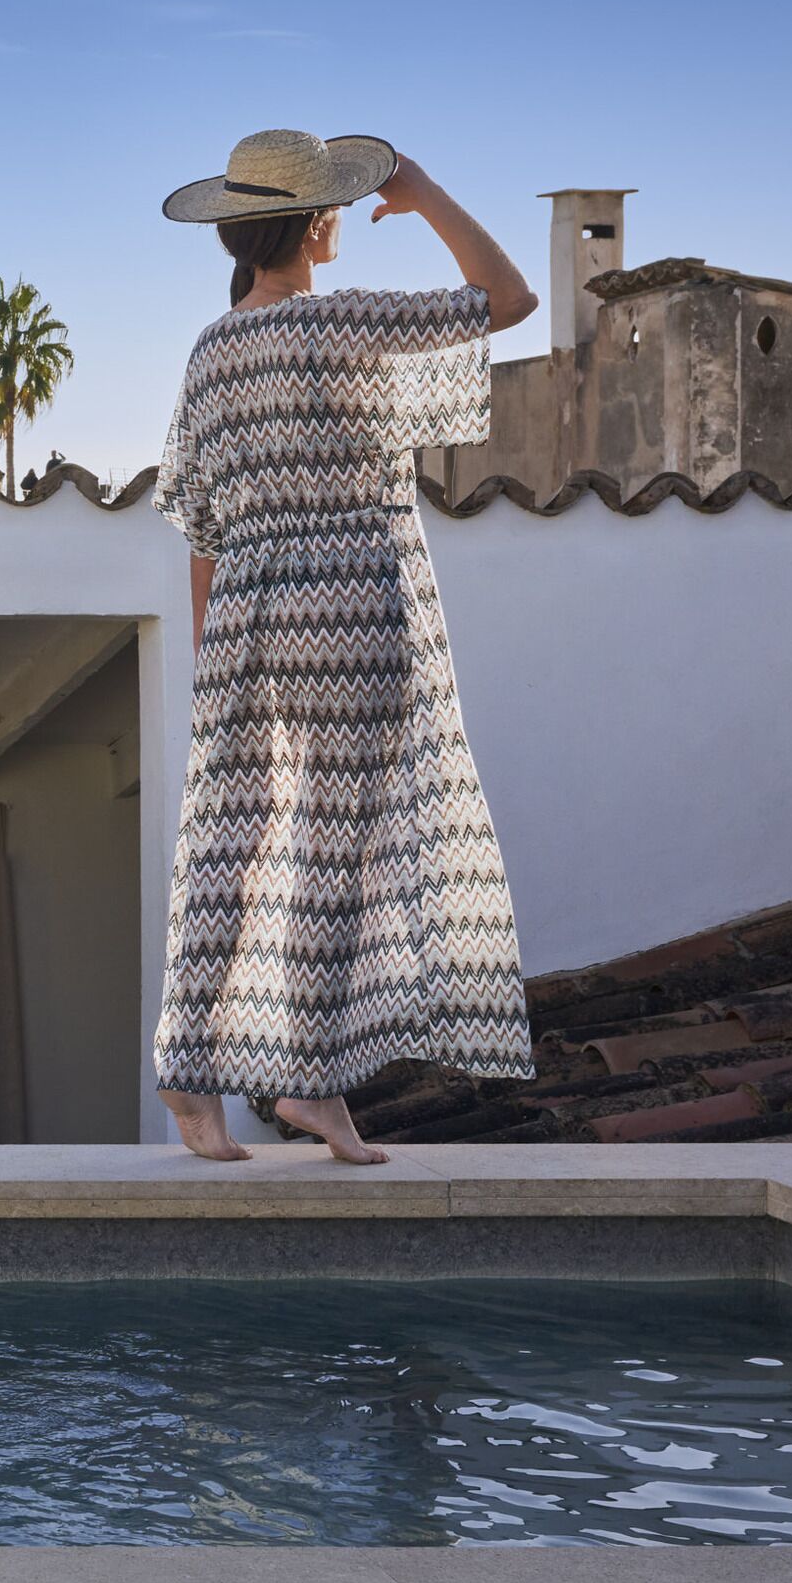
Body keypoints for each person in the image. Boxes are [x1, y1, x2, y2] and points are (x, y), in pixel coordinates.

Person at [148, 130, 540, 1162]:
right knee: (338, 852)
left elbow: (200, 523)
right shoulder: (351, 323)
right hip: (356, 608)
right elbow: (509, 299)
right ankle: (311, 1087)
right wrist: (422, 193)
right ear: (319, 222)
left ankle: (190, 1077)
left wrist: (213, 654)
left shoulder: (212, 352)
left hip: (246, 614)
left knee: (233, 845)